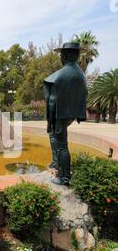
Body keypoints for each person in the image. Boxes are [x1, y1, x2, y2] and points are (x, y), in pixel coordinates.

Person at [43, 42, 87, 186]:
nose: (60, 57)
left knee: (62, 145)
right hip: (68, 113)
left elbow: (53, 97)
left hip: (60, 114)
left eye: (62, 54)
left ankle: (65, 177)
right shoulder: (79, 73)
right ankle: (56, 164)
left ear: (66, 55)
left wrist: (51, 118)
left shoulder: (64, 73)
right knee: (54, 137)